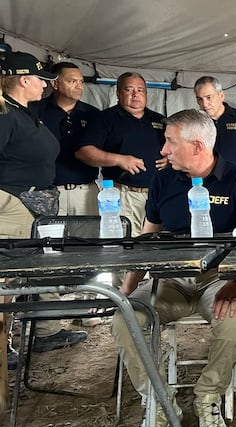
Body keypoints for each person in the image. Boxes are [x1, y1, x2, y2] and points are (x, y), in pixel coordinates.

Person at [111, 109, 236, 427]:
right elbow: (147, 237)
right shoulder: (163, 180)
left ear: (197, 146)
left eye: (169, 142)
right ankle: (159, 402)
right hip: (170, 281)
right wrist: (127, 289)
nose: (163, 150)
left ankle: (208, 397)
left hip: (220, 280)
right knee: (127, 317)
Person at [0, 51, 87, 358]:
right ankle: (2, 348)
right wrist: (6, 202)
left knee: (35, 271)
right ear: (24, 80)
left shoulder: (23, 112)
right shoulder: (5, 115)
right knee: (7, 280)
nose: (46, 85)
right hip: (15, 206)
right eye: (42, 79)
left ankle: (43, 331)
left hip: (34, 205)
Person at [75, 72, 166, 235]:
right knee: (126, 245)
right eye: (129, 90)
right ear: (118, 93)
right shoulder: (105, 118)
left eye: (140, 90)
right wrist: (119, 160)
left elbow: (175, 149)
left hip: (157, 195)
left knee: (154, 246)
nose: (135, 95)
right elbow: (84, 152)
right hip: (123, 195)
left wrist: (170, 160)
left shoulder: (160, 120)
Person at [31, 62, 100, 216]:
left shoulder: (93, 114)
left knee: (87, 239)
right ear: (55, 83)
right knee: (46, 239)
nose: (79, 86)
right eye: (72, 81)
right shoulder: (35, 110)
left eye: (81, 82)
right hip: (46, 192)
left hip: (85, 192)